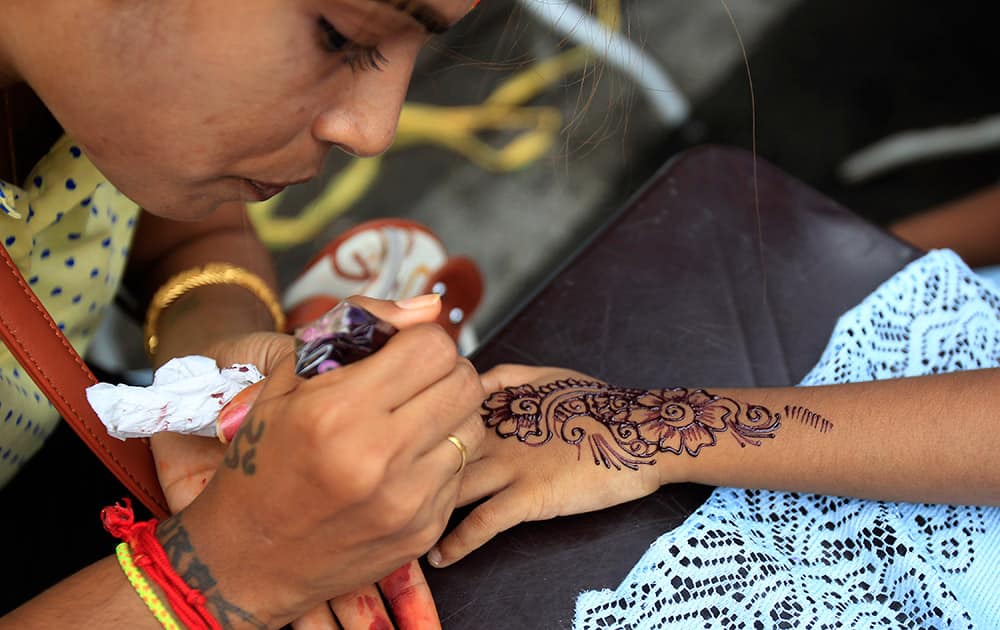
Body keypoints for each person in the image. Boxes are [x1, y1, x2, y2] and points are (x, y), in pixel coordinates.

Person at [0, 0, 487, 628]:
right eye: (343, 36)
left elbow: (188, 236)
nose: (374, 131)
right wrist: (224, 575)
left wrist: (212, 370)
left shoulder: (104, 103)